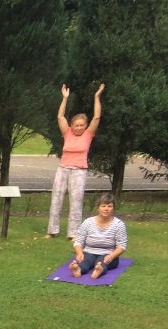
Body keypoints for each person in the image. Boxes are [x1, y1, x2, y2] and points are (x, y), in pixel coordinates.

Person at [48, 83, 104, 239]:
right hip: (63, 169)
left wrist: (97, 97)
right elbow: (60, 117)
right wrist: (65, 98)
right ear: (71, 125)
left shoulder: (88, 134)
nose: (79, 128)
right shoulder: (67, 133)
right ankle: (52, 231)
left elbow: (97, 117)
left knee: (76, 202)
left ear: (85, 126)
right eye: (76, 125)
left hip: (79, 170)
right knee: (56, 199)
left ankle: (73, 234)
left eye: (81, 125)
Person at [68, 193, 127, 279]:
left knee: (103, 262)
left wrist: (111, 256)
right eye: (103, 206)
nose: (106, 209)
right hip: (89, 252)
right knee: (85, 261)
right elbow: (78, 242)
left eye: (109, 206)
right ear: (98, 208)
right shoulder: (88, 222)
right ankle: (78, 269)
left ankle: (98, 270)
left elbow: (121, 246)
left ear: (113, 208)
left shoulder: (119, 224)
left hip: (108, 253)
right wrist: (79, 253)